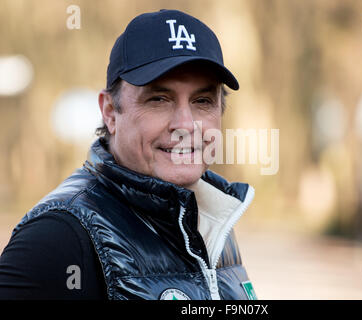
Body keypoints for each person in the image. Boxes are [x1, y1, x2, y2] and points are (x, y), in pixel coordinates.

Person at [0, 9, 256, 300]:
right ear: (110, 112)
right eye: (159, 99)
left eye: (202, 100)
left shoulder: (211, 223)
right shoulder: (57, 238)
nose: (186, 125)